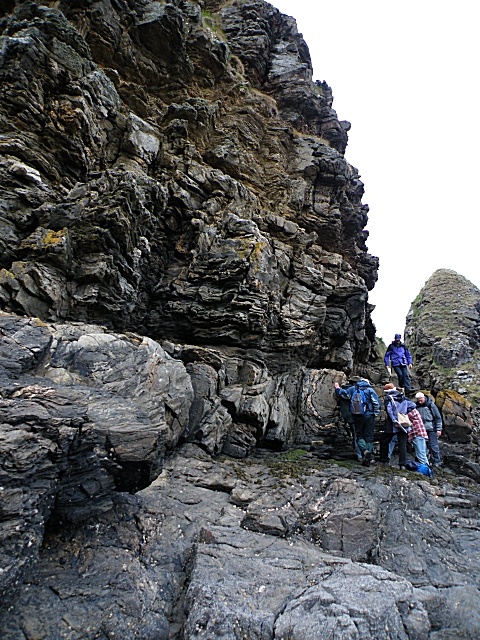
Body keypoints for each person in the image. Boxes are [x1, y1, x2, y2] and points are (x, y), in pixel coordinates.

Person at [334, 378, 381, 466]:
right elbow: (376, 403)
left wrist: (337, 388)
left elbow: (344, 394)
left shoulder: (353, 388)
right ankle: (369, 456)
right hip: (369, 416)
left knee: (359, 435)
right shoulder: (370, 390)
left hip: (357, 416)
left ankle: (363, 452)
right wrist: (375, 414)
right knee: (369, 436)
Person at [380, 382, 416, 469]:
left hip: (392, 424)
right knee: (402, 444)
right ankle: (402, 464)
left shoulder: (389, 398)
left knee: (384, 441)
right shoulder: (403, 397)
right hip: (404, 423)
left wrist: (394, 420)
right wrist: (404, 412)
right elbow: (413, 405)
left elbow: (389, 410)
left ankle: (384, 460)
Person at [337, 378, 363, 462]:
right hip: (360, 416)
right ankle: (362, 454)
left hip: (349, 416)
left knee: (355, 434)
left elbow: (342, 394)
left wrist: (337, 388)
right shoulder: (357, 389)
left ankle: (358, 452)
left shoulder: (347, 389)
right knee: (359, 435)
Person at [415, 392, 443, 466]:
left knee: (433, 445)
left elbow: (438, 417)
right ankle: (426, 461)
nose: (420, 402)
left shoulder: (431, 405)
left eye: (421, 400)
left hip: (431, 428)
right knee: (423, 446)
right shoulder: (416, 406)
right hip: (421, 429)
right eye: (418, 400)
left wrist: (439, 429)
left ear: (424, 398)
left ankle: (437, 461)